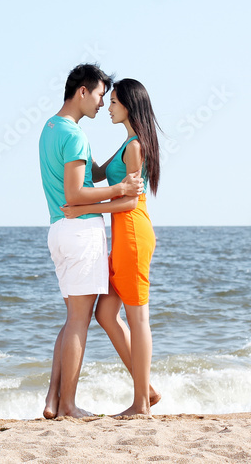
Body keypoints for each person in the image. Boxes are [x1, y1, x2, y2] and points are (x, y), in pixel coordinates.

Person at [38, 64, 144, 419]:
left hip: (58, 229)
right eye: (100, 95)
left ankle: (53, 401)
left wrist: (110, 173)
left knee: (73, 320)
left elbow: (85, 176)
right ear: (82, 91)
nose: (102, 103)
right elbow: (76, 192)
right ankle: (68, 405)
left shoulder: (50, 128)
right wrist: (121, 189)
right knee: (79, 322)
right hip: (79, 230)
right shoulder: (76, 135)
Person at [61, 78, 162, 416]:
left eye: (115, 102)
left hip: (132, 232)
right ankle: (145, 387)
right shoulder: (127, 145)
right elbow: (100, 173)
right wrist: (71, 140)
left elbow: (129, 203)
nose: (108, 107)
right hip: (123, 235)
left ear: (130, 106)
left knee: (138, 319)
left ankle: (140, 404)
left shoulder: (135, 147)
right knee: (105, 313)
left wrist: (84, 208)